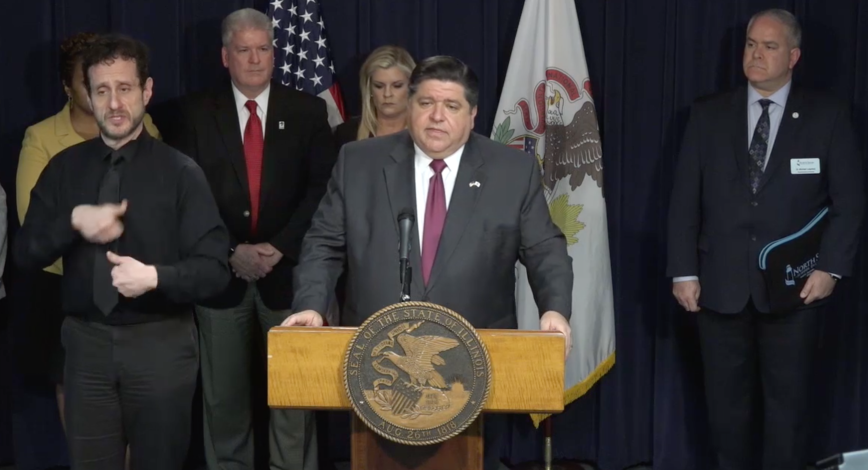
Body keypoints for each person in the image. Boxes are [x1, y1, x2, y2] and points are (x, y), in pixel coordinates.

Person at [281, 55, 574, 470]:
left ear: (472, 115)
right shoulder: (359, 162)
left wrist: (555, 311)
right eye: (425, 103)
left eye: (451, 106)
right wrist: (310, 305)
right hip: (377, 366)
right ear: (410, 106)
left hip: (470, 368)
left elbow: (546, 249)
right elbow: (324, 243)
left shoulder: (513, 171)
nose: (437, 116)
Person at [13, 33, 230, 470]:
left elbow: (215, 272)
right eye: (102, 90)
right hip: (85, 347)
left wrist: (155, 278)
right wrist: (72, 222)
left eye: (125, 88)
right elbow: (24, 255)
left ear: (146, 92)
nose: (114, 103)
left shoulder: (181, 173)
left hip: (161, 346)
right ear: (87, 97)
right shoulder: (63, 170)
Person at [666, 9, 864, 470]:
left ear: (793, 56)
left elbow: (849, 202)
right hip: (718, 286)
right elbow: (683, 201)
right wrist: (684, 270)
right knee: (726, 415)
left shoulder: (827, 116)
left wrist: (830, 268)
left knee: (788, 413)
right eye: (751, 44)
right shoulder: (707, 114)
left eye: (769, 46)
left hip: (796, 290)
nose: (756, 54)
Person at [165, 8, 335, 470]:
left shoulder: (308, 110)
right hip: (222, 279)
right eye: (244, 50)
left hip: (290, 278)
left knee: (293, 404)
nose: (256, 59)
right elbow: (184, 197)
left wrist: (279, 247)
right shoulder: (192, 113)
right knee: (224, 404)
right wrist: (229, 251)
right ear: (225, 56)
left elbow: (322, 191)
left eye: (264, 49)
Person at [14, 31, 161, 444]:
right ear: (70, 87)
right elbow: (35, 223)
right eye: (94, 85)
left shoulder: (144, 125)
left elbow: (156, 207)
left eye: (121, 86)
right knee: (79, 397)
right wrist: (84, 230)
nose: (111, 99)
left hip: (133, 284)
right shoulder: (42, 138)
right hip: (64, 288)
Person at [333, 45, 416, 147]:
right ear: (369, 88)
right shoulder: (347, 133)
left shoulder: (426, 132)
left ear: (411, 87)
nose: (387, 94)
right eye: (379, 86)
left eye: (397, 86)